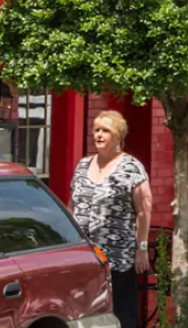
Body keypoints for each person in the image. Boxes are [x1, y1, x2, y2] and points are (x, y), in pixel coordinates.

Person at [70, 111, 152, 328]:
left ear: (118, 135)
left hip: (117, 258)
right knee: (86, 315)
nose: (99, 135)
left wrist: (141, 248)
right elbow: (72, 206)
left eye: (105, 130)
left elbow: (144, 210)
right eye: (96, 130)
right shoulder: (82, 166)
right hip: (84, 258)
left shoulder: (131, 168)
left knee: (120, 315)